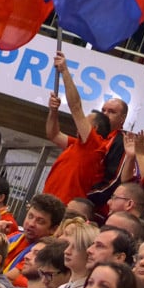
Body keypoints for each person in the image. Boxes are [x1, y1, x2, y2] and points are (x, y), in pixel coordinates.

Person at [43, 52, 111, 205]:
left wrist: (65, 72)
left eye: (86, 121)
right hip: (49, 204)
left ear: (95, 128)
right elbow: (53, 134)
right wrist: (53, 112)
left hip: (64, 208)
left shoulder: (95, 145)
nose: (80, 122)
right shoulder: (77, 144)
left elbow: (75, 107)